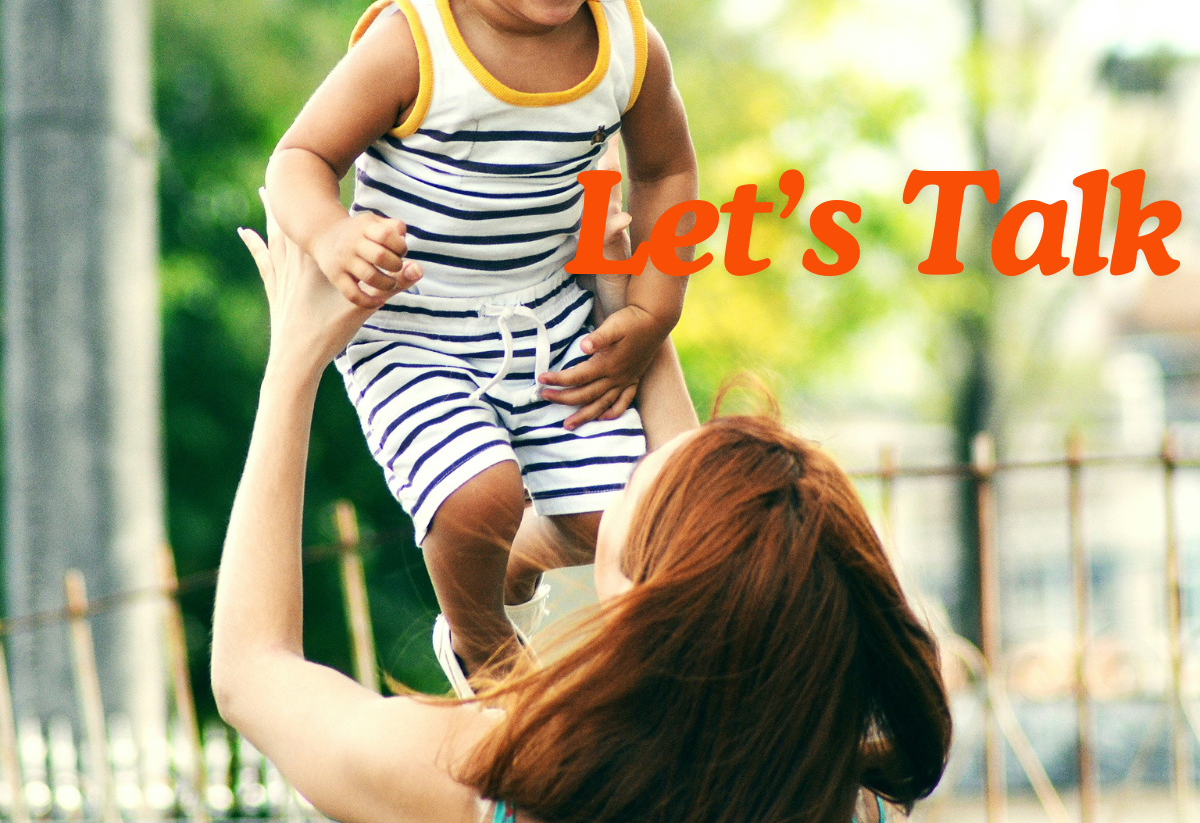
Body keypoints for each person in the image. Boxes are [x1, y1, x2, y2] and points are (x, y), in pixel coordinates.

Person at [213, 207, 952, 823]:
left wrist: (295, 362)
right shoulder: (847, 800)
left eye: (629, 491)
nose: (617, 480)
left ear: (639, 603)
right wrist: (626, 321)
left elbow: (252, 673)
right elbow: (714, 555)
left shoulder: (489, 784)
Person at [263, 0, 698, 688]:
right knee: (476, 499)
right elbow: (297, 159)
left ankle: (522, 556)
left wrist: (652, 314)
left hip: (548, 319)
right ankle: (484, 649)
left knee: (620, 523)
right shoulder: (412, 47)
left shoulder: (628, 44)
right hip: (416, 328)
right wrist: (334, 234)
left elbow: (671, 177)